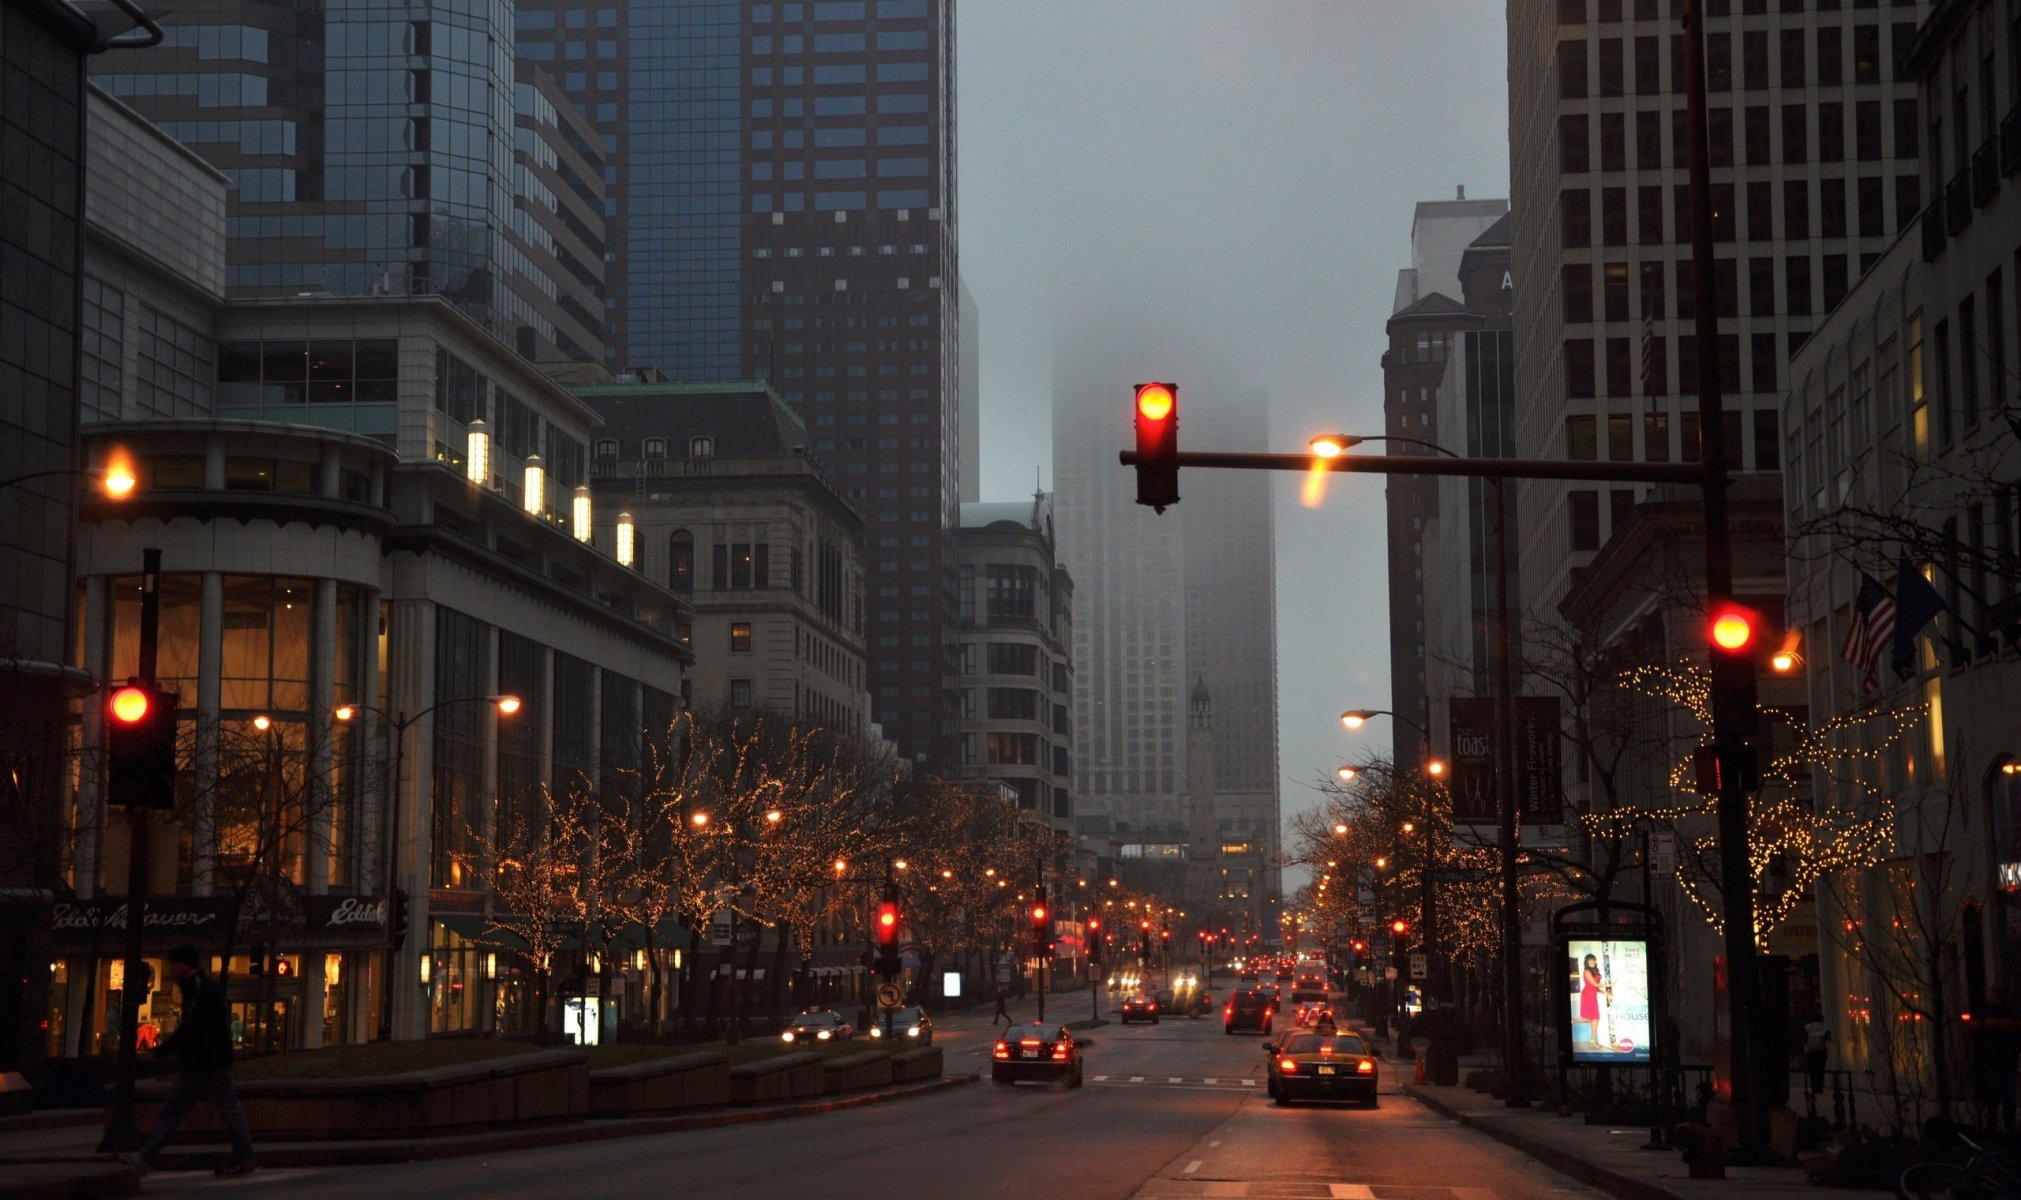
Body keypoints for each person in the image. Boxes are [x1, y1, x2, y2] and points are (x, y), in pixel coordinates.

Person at [118, 945, 256, 1178]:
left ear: (184, 965)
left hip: (203, 1062)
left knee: (177, 1110)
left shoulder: (198, 988)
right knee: (222, 1108)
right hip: (208, 1060)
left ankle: (146, 1157)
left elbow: (190, 1027)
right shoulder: (199, 987)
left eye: (173, 964)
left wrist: (161, 1051)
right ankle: (245, 1158)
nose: (171, 969)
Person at [1972, 988, 2021, 1134]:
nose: (1991, 998)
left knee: (2007, 1096)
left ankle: (2007, 1127)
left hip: (2005, 1062)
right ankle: (1993, 1127)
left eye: (1994, 996)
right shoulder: (1984, 1015)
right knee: (1994, 1096)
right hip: (1993, 1062)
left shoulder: (2009, 1016)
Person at [1800, 1006, 1831, 1103]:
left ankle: (1814, 1087)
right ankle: (1820, 1087)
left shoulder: (1808, 1027)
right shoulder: (1825, 1027)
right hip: (1821, 1052)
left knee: (1812, 1070)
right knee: (1821, 1069)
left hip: (1810, 1052)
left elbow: (1804, 1039)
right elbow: (1828, 1038)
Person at [1578, 954, 1607, 1051]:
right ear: (1587, 962)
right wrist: (1610, 984)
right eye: (1590, 960)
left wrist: (1604, 993)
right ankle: (1593, 1041)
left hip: (1592, 994)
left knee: (1594, 1018)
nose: (1592, 962)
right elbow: (1594, 984)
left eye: (1593, 960)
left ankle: (1592, 1040)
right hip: (1588, 995)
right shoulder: (1586, 971)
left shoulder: (1594, 971)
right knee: (1595, 1018)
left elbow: (1596, 987)